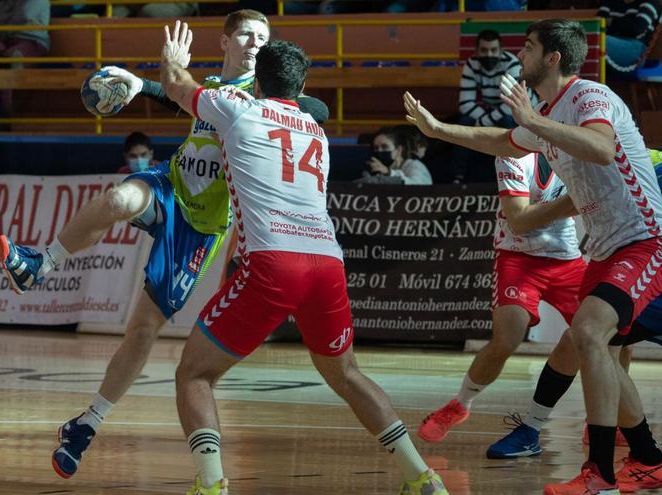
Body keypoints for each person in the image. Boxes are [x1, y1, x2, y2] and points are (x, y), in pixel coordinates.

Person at [0, 9, 328, 479]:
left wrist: (283, 100)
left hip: (204, 226)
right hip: (172, 185)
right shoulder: (213, 84)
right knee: (119, 198)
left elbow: (318, 111)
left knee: (144, 329)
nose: (256, 42)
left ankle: (87, 424)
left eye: (264, 37)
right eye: (248, 35)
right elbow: (184, 97)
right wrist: (138, 85)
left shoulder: (266, 94)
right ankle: (39, 263)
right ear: (225, 42)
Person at [158, 21, 448, 495]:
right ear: (302, 86)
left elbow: (176, 85)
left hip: (273, 260)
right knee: (346, 373)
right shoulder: (315, 127)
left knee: (194, 374)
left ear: (256, 81)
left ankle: (211, 484)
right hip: (326, 262)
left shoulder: (237, 107)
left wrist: (173, 58)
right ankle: (421, 476)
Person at [404, 18, 662, 494]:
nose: (520, 57)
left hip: (647, 239)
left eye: (529, 48)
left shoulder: (589, 97)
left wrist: (532, 121)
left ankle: (598, 472)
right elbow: (501, 141)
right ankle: (651, 459)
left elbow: (600, 147)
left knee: (590, 332)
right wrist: (438, 128)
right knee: (601, 351)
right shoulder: (548, 109)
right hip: (603, 248)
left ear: (553, 58)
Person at [489, 149, 662, 491]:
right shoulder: (591, 175)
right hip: (661, 289)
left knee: (591, 335)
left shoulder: (655, 168)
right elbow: (509, 143)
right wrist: (441, 130)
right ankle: (535, 430)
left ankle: (631, 461)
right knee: (584, 340)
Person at [417, 152, 581, 458]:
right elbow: (519, 221)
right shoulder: (514, 154)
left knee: (605, 334)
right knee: (506, 339)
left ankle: (603, 420)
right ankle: (460, 404)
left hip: (567, 258)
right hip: (518, 257)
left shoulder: (579, 148)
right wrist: (576, 199)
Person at [452, 30, 522, 184]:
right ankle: (458, 178)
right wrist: (485, 119)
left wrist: (484, 122)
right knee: (463, 122)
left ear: (501, 50)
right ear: (477, 51)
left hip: (520, 112)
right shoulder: (471, 63)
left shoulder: (512, 64)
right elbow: (465, 104)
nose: (488, 55)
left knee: (507, 123)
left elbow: (513, 106)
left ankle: (513, 178)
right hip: (490, 112)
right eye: (484, 50)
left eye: (493, 50)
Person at [598, 0, 662, 70]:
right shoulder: (608, 2)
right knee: (595, 39)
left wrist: (611, 21)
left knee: (600, 41)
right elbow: (598, 26)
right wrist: (622, 24)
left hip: (636, 47)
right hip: (611, 41)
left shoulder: (650, 2)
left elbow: (637, 29)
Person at [356, 126, 432, 185]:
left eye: (384, 147)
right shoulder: (378, 170)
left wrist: (389, 173)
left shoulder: (414, 165)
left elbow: (420, 186)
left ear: (399, 150)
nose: (379, 151)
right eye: (376, 148)